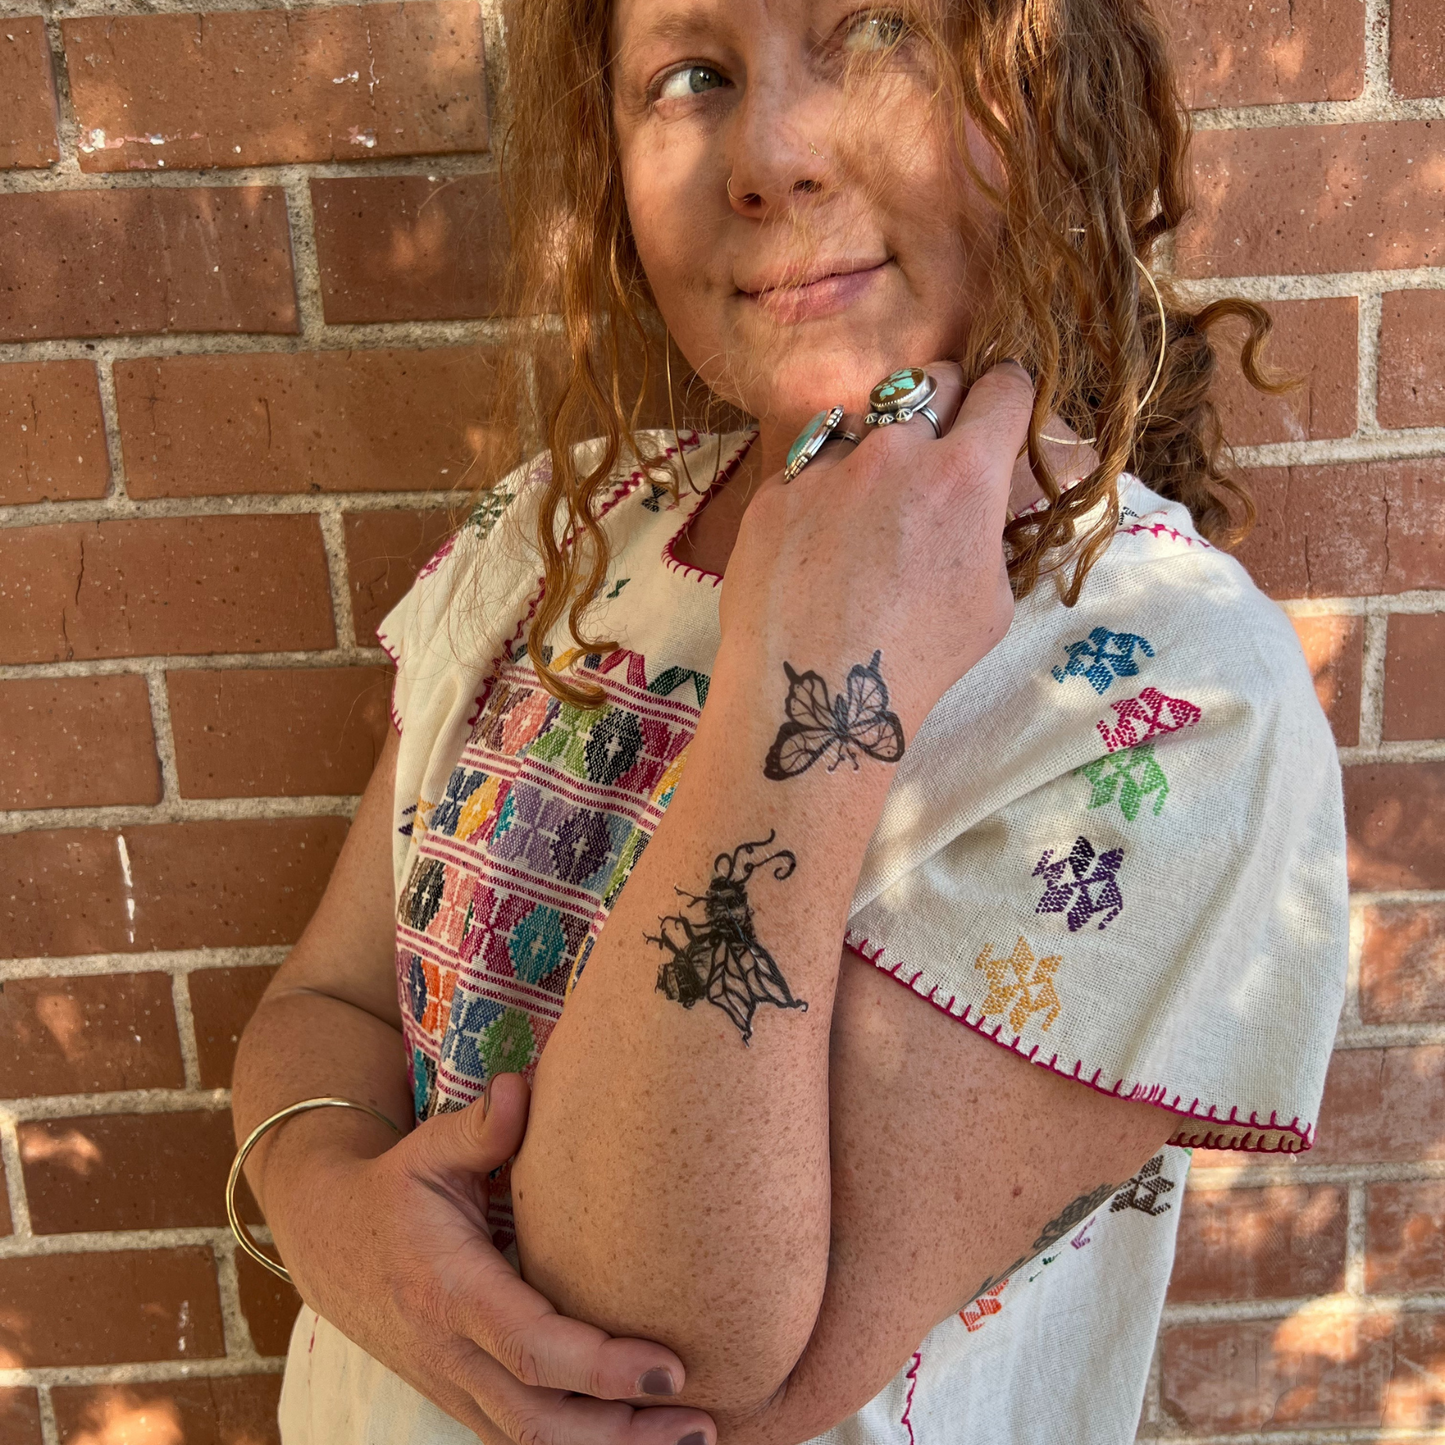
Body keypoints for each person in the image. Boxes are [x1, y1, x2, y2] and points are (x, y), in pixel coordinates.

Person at [231, 1, 1349, 1441]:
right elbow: (326, 1005)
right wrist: (333, 1224)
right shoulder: (557, 534)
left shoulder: (1168, 698)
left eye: (877, 30)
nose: (768, 155)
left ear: (1044, 94)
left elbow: (667, 1344)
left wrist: (809, 686)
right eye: (690, 76)